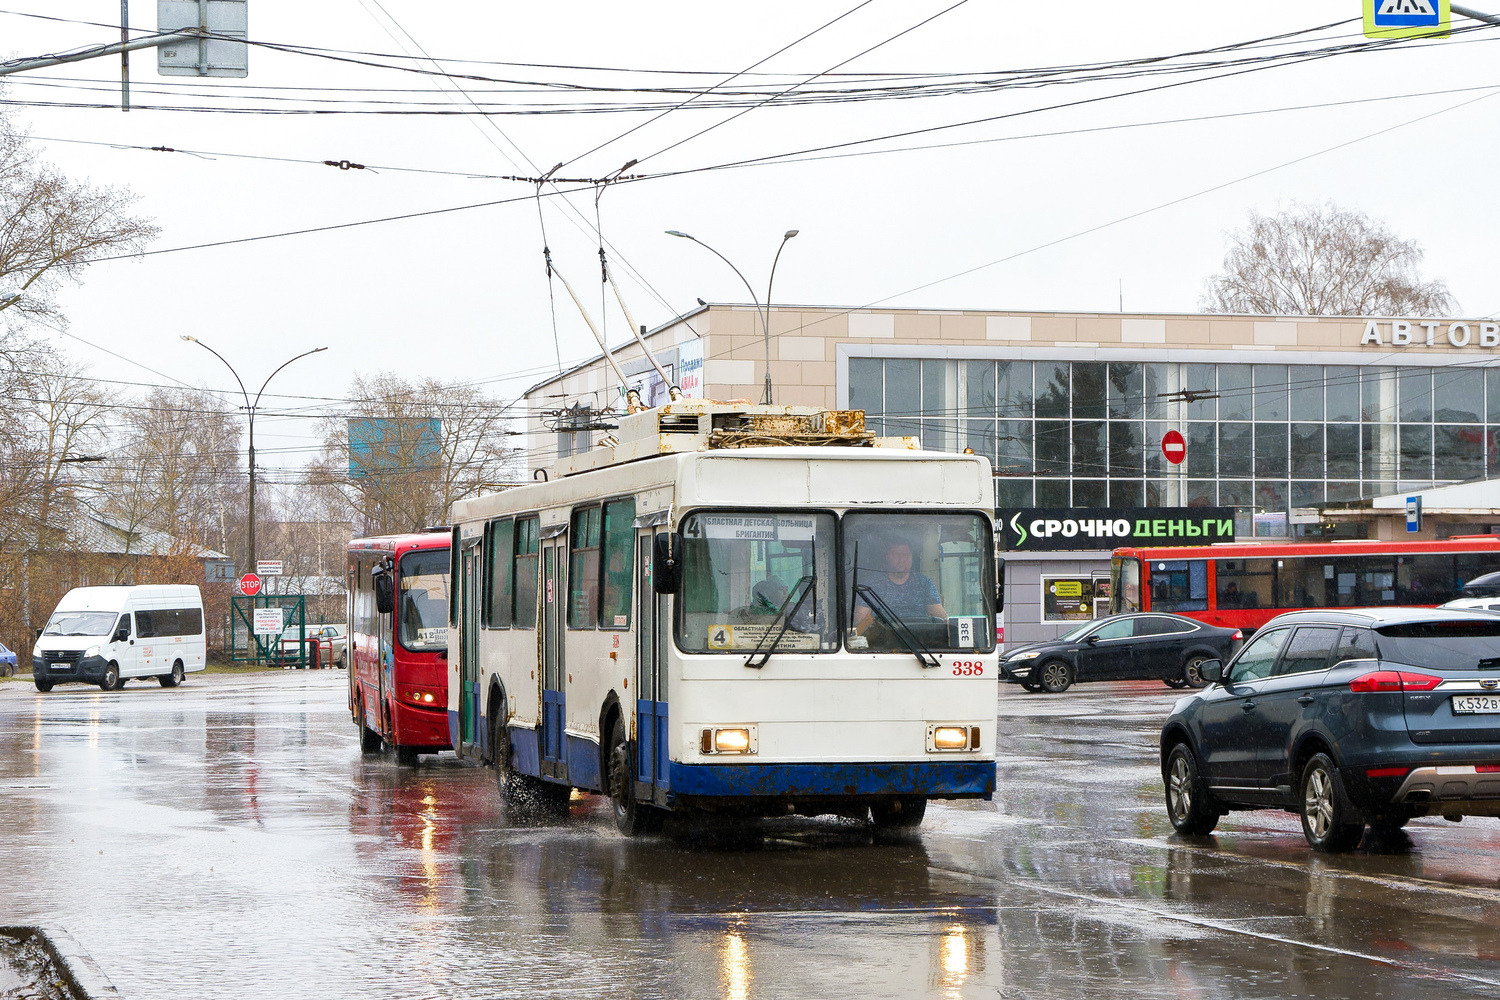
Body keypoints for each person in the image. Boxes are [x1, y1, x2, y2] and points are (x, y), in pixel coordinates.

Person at [853, 538, 945, 633]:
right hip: (884, 639)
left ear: (912, 557)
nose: (902, 559)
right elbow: (859, 622)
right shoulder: (872, 585)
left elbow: (940, 618)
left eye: (906, 555)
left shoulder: (924, 583)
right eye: (896, 555)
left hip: (919, 639)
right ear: (887, 557)